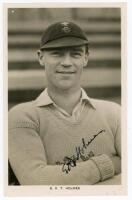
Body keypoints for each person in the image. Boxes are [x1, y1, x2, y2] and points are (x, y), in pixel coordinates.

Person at [8, 21, 121, 185]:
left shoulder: (114, 113)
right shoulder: (22, 116)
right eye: (57, 53)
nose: (67, 62)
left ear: (86, 58)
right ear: (41, 57)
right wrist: (111, 164)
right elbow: (37, 181)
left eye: (75, 54)